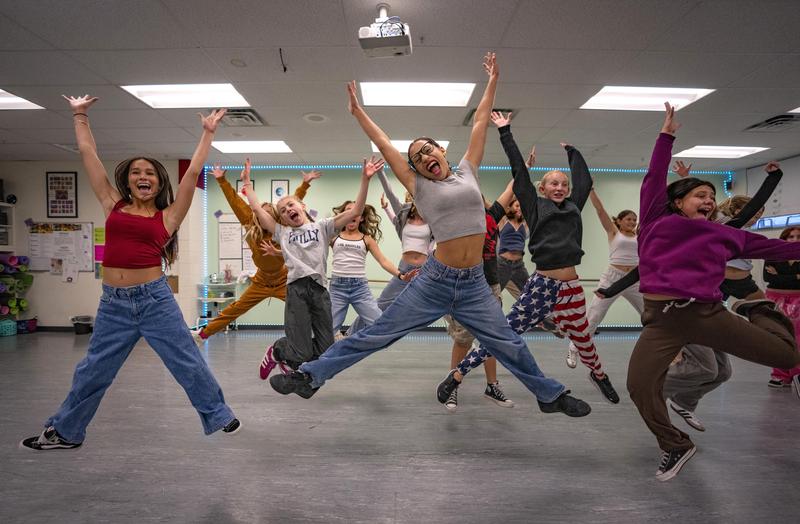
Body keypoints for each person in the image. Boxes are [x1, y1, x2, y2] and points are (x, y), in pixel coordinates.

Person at [270, 53, 590, 418]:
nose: (424, 158)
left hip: (474, 285)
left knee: (507, 341)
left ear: (441, 150)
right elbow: (384, 143)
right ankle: (309, 377)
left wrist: (492, 81)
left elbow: (480, 121)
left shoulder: (468, 170)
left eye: (427, 150)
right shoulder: (418, 186)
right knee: (377, 334)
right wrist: (358, 112)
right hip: (435, 281)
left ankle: (549, 395)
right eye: (417, 158)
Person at [21, 95, 239, 451]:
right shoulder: (113, 204)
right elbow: (89, 155)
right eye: (136, 172)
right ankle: (66, 431)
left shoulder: (168, 216)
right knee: (93, 369)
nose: (142, 176)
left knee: (185, 359)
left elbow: (191, 175)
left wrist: (207, 134)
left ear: (158, 183)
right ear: (127, 180)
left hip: (155, 300)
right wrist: (80, 115)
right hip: (114, 305)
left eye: (149, 173)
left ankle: (218, 413)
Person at [626, 102, 800, 481]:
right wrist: (665, 136)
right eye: (699, 195)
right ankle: (676, 445)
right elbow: (653, 176)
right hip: (662, 320)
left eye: (711, 196)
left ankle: (758, 310)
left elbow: (777, 248)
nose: (708, 201)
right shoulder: (655, 220)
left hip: (706, 314)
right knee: (639, 386)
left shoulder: (724, 234)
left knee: (787, 355)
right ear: (677, 202)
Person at [449, 110, 620, 404]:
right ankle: (456, 375)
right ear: (542, 189)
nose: (560, 188)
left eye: (564, 184)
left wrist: (573, 153)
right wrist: (505, 131)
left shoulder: (574, 207)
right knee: (506, 332)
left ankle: (599, 374)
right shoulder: (534, 206)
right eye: (554, 184)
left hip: (571, 287)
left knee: (582, 337)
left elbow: (584, 182)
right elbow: (519, 171)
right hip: (543, 285)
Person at [246, 155, 380, 375]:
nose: (287, 210)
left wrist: (365, 180)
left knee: (326, 348)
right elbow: (258, 211)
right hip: (297, 289)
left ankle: (295, 363)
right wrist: (247, 184)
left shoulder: (323, 227)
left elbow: (355, 211)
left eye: (290, 205)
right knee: (301, 350)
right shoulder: (282, 232)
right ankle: (278, 350)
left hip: (319, 289)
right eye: (282, 210)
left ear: (302, 206)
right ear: (283, 219)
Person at [193, 162, 319, 352]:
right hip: (261, 282)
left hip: (283, 281)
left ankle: (325, 335)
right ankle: (202, 335)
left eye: (269, 213)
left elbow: (293, 203)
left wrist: (305, 184)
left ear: (275, 217)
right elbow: (235, 202)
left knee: (306, 307)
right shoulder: (250, 223)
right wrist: (222, 180)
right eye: (261, 212)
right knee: (235, 309)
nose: (264, 216)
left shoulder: (281, 228)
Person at [442, 180, 517, 412]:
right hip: (465, 286)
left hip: (490, 285)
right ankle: (452, 385)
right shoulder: (456, 220)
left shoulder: (492, 216)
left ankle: (492, 386)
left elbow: (509, 190)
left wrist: (523, 166)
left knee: (491, 338)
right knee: (463, 340)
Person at [346, 171, 433, 335]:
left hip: (425, 271)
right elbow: (390, 193)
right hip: (405, 269)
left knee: (439, 303)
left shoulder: (432, 219)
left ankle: (464, 340)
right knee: (380, 304)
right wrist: (380, 172)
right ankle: (349, 335)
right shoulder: (403, 216)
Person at [566, 188, 643, 367]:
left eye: (634, 219)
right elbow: (600, 210)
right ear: (620, 221)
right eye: (628, 219)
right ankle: (574, 348)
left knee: (650, 314)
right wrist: (591, 190)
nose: (632, 222)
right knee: (594, 315)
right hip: (613, 277)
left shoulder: (640, 235)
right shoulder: (614, 232)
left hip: (634, 279)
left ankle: (669, 353)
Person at [328, 198, 412, 336]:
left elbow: (383, 261)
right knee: (328, 330)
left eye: (356, 212)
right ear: (343, 216)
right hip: (337, 288)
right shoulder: (334, 237)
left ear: (361, 218)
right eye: (348, 211)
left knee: (379, 325)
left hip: (360, 289)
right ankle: (334, 344)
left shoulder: (367, 239)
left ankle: (352, 341)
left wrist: (400, 275)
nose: (352, 214)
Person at [763, 226, 800, 394]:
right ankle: (780, 374)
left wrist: (780, 275)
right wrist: (796, 276)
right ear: (784, 238)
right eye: (790, 236)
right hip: (774, 298)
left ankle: (797, 372)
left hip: (798, 299)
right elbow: (768, 278)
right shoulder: (773, 254)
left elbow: (777, 278)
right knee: (778, 335)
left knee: (798, 337)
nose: (794, 239)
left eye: (798, 236)